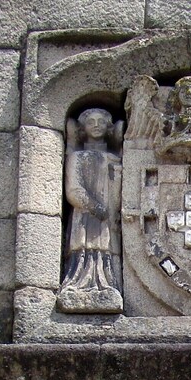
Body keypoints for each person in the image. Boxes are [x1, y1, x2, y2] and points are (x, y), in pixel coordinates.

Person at [59, 108, 123, 304]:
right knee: (84, 249)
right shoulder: (78, 157)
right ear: (82, 128)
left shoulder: (116, 159)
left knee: (108, 249)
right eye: (91, 122)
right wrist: (94, 207)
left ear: (109, 128)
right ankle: (81, 284)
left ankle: (109, 284)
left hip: (110, 217)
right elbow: (73, 189)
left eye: (101, 122)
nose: (96, 125)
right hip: (86, 215)